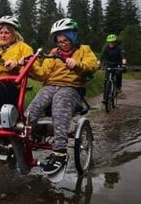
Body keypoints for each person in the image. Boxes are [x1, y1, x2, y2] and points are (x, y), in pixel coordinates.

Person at [22, 18, 98, 175]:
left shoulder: (84, 50)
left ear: (73, 38)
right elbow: (43, 74)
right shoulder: (54, 53)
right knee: (32, 110)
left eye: (66, 40)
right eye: (59, 41)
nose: (62, 44)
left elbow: (92, 66)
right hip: (50, 85)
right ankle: (23, 142)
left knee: (59, 107)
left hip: (71, 87)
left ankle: (60, 153)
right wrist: (29, 67)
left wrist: (78, 65)